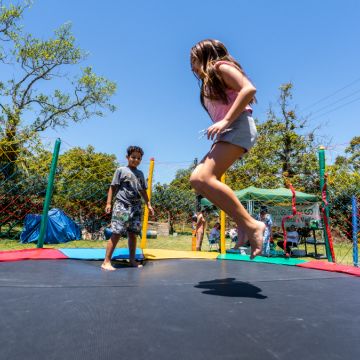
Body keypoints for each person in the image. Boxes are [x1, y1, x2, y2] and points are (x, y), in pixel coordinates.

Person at [189, 39, 265, 259]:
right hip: (229, 131)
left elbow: (248, 89)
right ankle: (244, 224)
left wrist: (226, 120)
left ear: (204, 56)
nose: (192, 67)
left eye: (193, 60)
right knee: (198, 179)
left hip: (238, 126)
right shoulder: (210, 80)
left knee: (205, 176)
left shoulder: (220, 67)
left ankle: (252, 225)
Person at [101, 146, 154, 271]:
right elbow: (112, 187)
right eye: (133, 157)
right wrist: (108, 203)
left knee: (133, 234)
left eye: (139, 158)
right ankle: (106, 261)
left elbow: (143, 191)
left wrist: (149, 204)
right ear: (127, 157)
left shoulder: (140, 174)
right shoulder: (121, 170)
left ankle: (131, 260)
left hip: (136, 207)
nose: (136, 160)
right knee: (117, 233)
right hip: (122, 205)